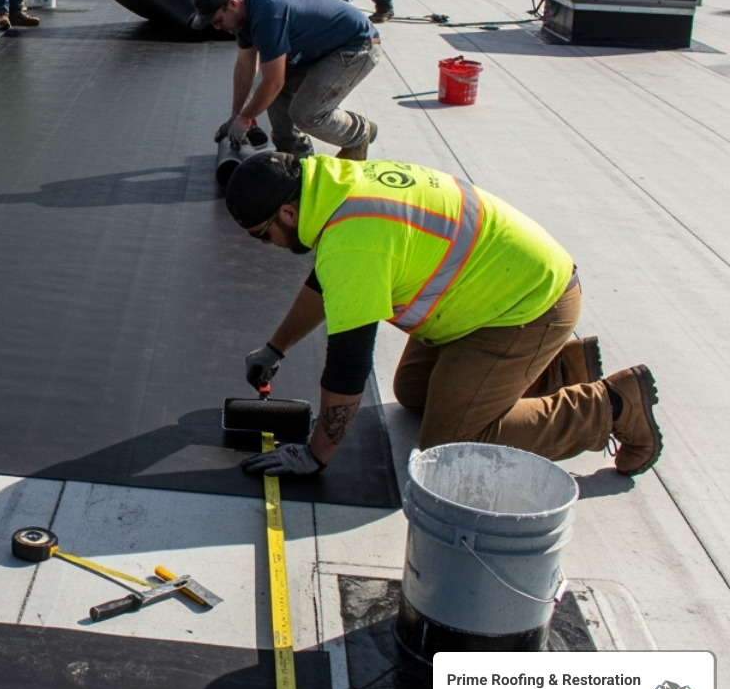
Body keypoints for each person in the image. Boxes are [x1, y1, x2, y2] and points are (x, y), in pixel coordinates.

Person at [223, 151, 661, 479]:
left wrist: (315, 455)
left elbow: (347, 369)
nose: (266, 244)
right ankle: (562, 368)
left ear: (287, 212)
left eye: (263, 235)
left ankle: (612, 406)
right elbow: (326, 283)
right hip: (480, 298)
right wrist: (275, 347)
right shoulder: (334, 187)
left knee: (451, 444)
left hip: (527, 307)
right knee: (414, 392)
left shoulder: (353, 242)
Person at [193, 0, 379, 161]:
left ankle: (359, 132)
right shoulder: (244, 16)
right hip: (320, 46)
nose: (217, 28)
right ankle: (297, 156)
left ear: (232, 3)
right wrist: (236, 115)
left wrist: (245, 119)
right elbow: (244, 67)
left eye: (218, 20)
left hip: (357, 44)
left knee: (306, 114)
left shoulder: (266, 16)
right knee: (275, 94)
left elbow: (274, 82)